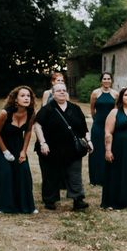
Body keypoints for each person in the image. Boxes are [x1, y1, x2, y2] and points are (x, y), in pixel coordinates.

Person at [34, 82, 91, 211]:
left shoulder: (75, 108)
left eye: (64, 90)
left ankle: (78, 199)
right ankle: (50, 200)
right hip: (51, 148)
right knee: (50, 174)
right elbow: (37, 126)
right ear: (53, 94)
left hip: (72, 149)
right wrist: (43, 143)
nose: (61, 92)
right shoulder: (47, 109)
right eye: (58, 91)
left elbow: (84, 128)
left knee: (75, 174)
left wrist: (89, 140)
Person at [0, 86, 37, 214]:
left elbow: (28, 131)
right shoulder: (5, 113)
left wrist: (23, 151)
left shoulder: (31, 113)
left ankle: (26, 206)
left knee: (23, 169)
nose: (26, 98)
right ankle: (2, 206)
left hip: (16, 142)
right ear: (15, 99)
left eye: (28, 96)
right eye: (23, 95)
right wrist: (5, 152)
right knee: (5, 170)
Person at [89, 72, 118, 185]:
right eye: (104, 79)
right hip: (98, 125)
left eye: (108, 78)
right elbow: (92, 110)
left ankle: (108, 177)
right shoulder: (95, 93)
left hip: (111, 125)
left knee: (109, 148)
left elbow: (116, 111)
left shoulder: (115, 94)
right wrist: (97, 120)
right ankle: (96, 178)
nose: (106, 80)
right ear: (101, 80)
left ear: (111, 80)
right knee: (97, 150)